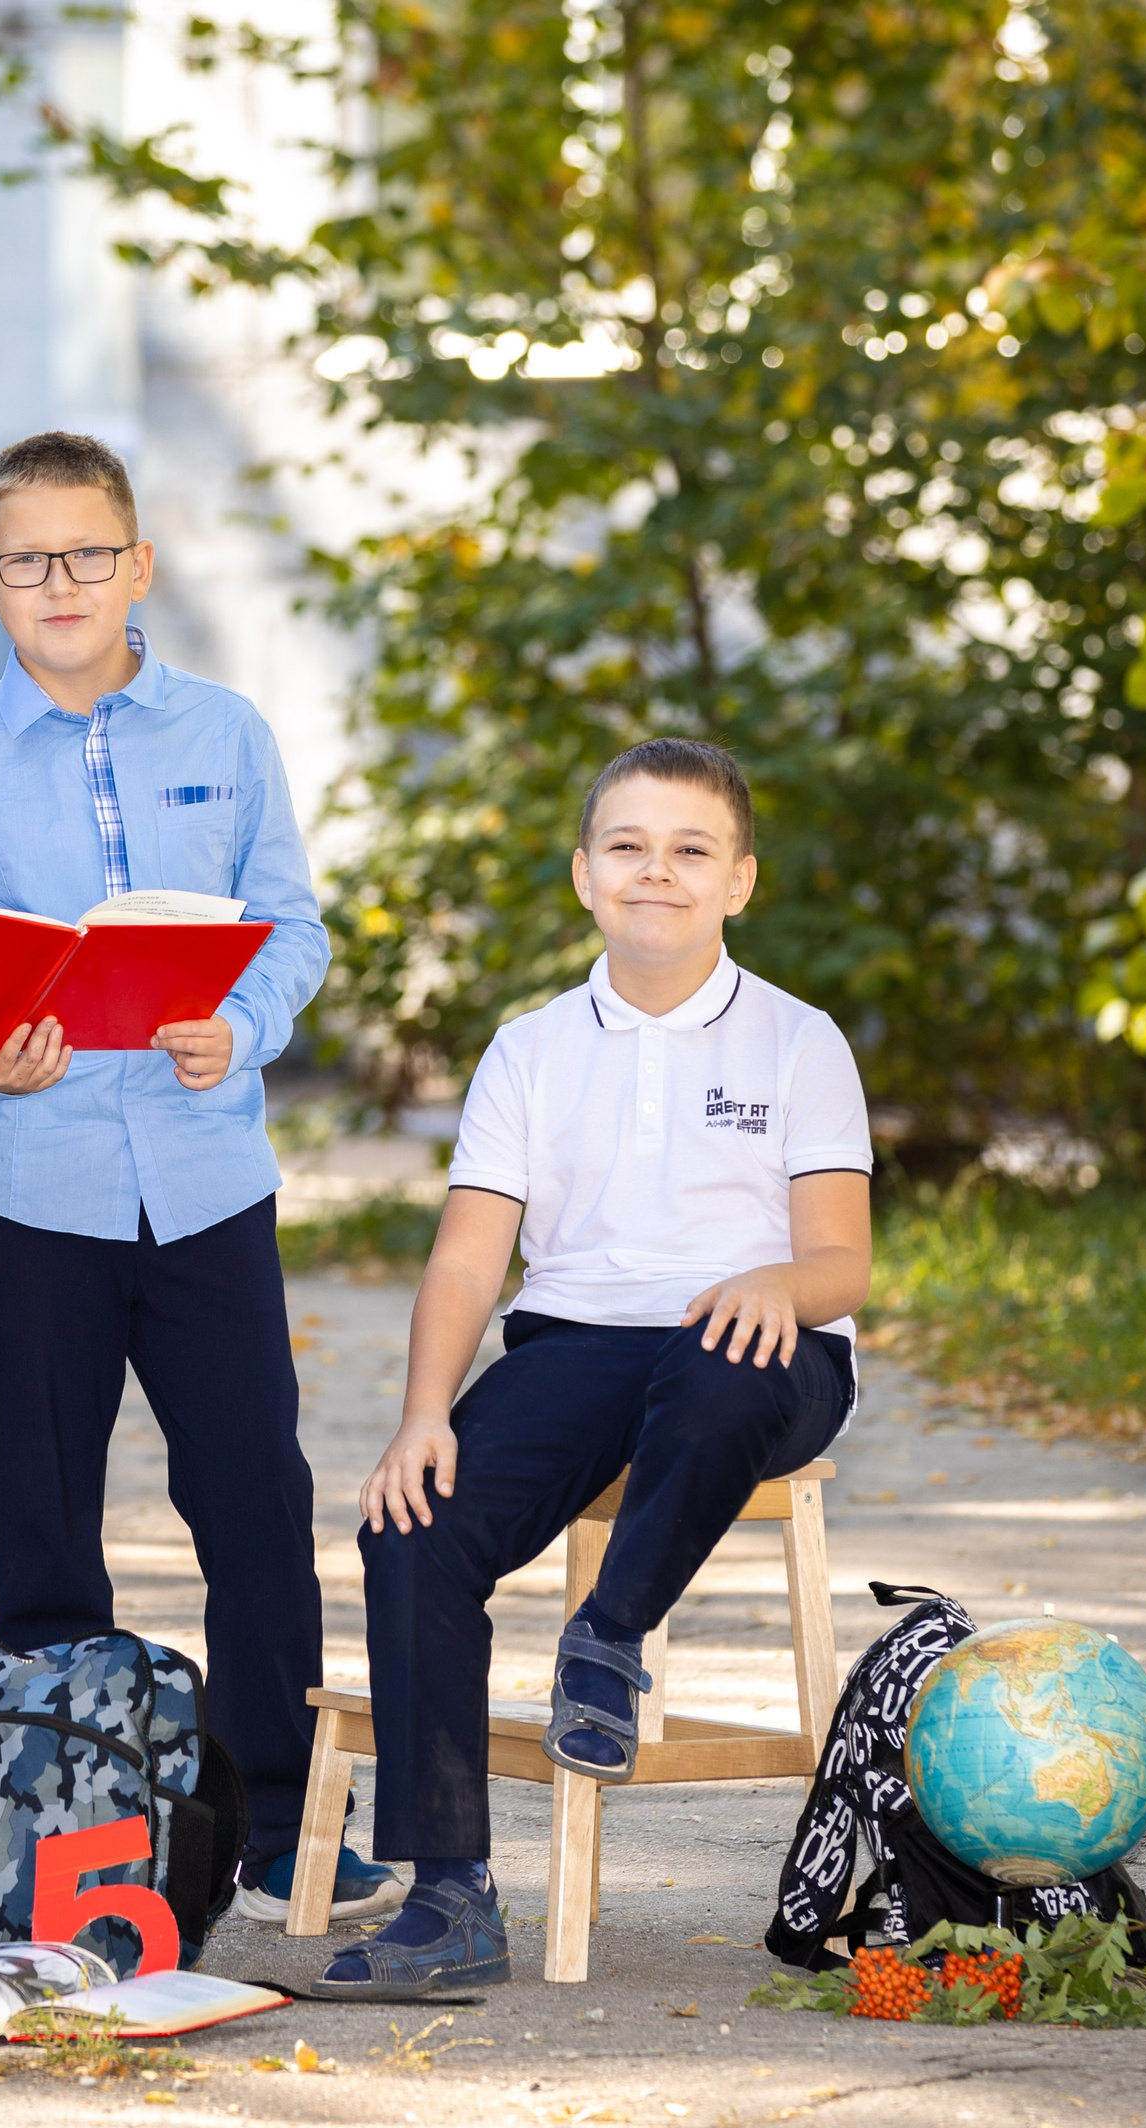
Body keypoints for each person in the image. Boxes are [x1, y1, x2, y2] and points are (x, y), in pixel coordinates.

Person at [0, 431, 403, 1927]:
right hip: (25, 1192)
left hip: (203, 1183)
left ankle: (276, 1837)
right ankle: (83, 1836)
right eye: (27, 560)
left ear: (139, 564)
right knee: (42, 1515)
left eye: (87, 554)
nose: (59, 583)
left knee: (255, 1500)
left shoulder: (230, 733)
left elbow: (293, 928)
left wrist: (241, 1023)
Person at [317, 738, 875, 1998]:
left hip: (764, 1353)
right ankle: (450, 1895)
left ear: (739, 880)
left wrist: (776, 1283)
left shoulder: (799, 1040)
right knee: (414, 1525)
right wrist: (419, 1416)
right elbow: (468, 1264)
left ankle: (607, 1637)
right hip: (576, 1343)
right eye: (627, 845)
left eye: (690, 849)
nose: (656, 871)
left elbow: (842, 1262)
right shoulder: (529, 1046)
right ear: (583, 875)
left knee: (717, 1367)